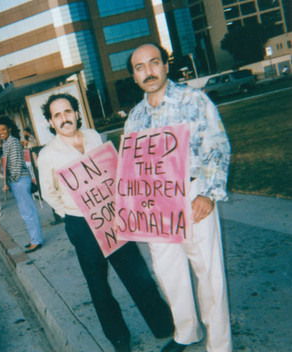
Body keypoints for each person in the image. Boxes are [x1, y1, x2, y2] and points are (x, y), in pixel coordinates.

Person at [37, 93, 174, 352]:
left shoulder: (93, 136)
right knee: (99, 285)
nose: (64, 118)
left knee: (137, 274)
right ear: (51, 122)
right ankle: (119, 338)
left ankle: (164, 325)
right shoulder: (47, 156)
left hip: (113, 217)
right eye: (57, 115)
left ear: (76, 113)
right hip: (82, 226)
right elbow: (49, 193)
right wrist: (71, 212)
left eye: (68, 112)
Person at [125, 43, 232, 352]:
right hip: (156, 206)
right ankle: (187, 332)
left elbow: (219, 147)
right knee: (169, 274)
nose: (149, 71)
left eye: (154, 63)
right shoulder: (134, 119)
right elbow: (132, 170)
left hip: (193, 196)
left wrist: (209, 195)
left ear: (165, 65)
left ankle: (220, 345)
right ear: (134, 76)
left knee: (209, 275)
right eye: (140, 67)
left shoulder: (194, 101)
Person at [0, 116, 43, 253]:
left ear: (9, 129)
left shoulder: (13, 142)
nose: (1, 132)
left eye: (3, 129)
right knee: (26, 211)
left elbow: (16, 164)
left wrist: (11, 181)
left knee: (28, 211)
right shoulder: (7, 142)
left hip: (20, 180)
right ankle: (34, 238)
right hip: (18, 181)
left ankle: (36, 240)